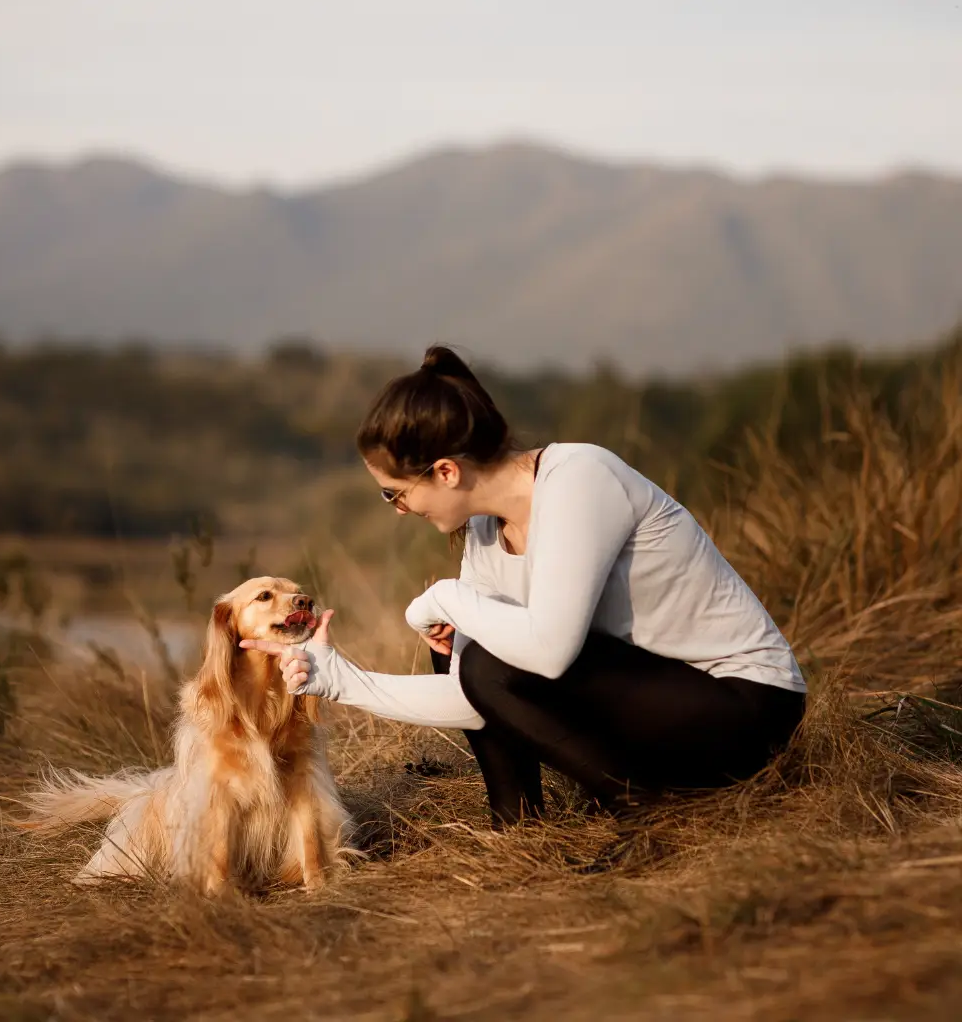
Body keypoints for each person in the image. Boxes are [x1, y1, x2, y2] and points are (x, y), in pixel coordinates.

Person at [242, 346, 806, 828]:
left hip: (742, 708)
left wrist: (448, 597)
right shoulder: (485, 533)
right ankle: (518, 822)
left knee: (482, 643)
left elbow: (549, 652)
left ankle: (643, 808)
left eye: (395, 492)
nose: (398, 509)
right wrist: (342, 680)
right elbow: (478, 695)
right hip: (656, 705)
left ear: (445, 471)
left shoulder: (581, 478)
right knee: (463, 651)